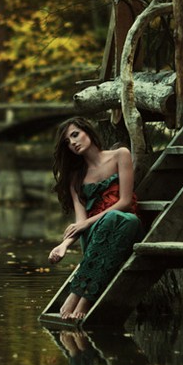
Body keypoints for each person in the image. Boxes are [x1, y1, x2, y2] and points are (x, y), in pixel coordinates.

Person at [48, 117, 145, 320]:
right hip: (95, 236)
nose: (72, 143)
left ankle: (79, 296)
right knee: (112, 220)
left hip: (124, 228)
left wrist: (88, 222)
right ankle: (82, 298)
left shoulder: (120, 155)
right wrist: (64, 245)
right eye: (67, 142)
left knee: (125, 219)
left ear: (88, 131)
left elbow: (125, 202)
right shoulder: (75, 177)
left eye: (75, 135)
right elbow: (80, 221)